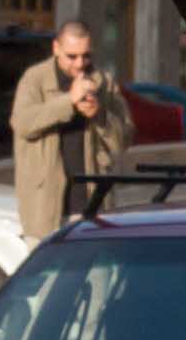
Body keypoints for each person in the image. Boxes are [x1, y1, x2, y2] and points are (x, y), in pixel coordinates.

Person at [10, 17, 129, 239]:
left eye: (86, 55)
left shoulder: (102, 82)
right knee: (50, 275)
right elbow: (23, 124)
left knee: (99, 274)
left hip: (92, 207)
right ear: (56, 48)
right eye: (71, 56)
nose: (79, 63)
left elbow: (125, 138)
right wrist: (69, 101)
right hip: (46, 211)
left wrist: (100, 115)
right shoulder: (35, 79)